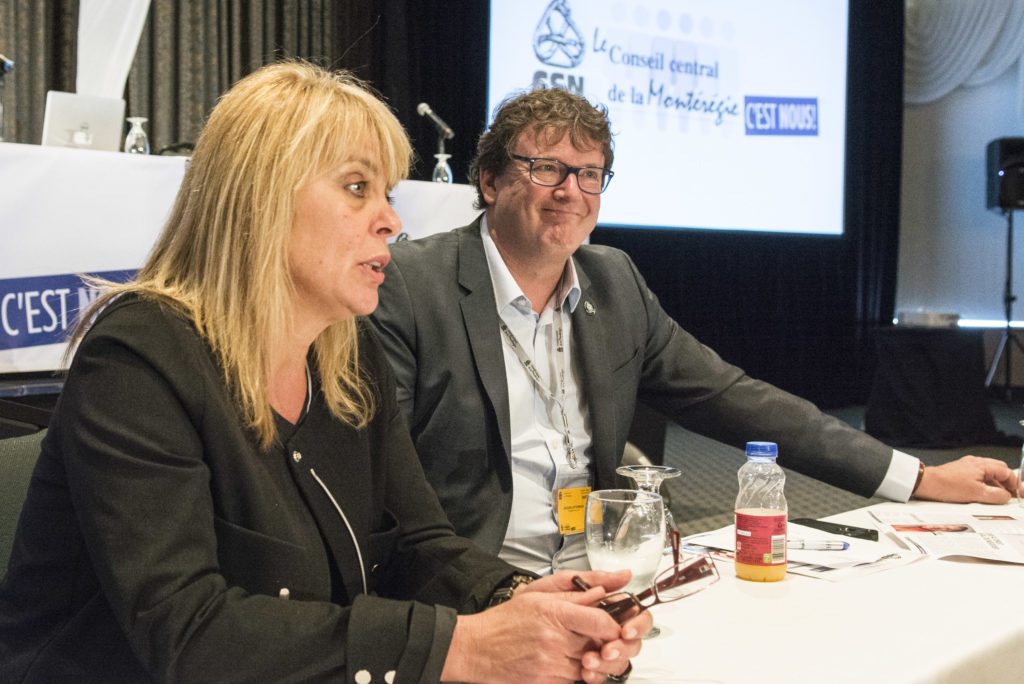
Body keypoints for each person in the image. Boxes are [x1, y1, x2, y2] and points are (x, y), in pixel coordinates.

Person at [0, 63, 649, 683]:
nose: (391, 220)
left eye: (388, 193)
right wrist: (463, 646)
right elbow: (188, 632)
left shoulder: (346, 357)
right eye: (357, 187)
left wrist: (522, 599)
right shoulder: (141, 355)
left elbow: (416, 543)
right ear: (263, 197)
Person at [369, 86, 1020, 574]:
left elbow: (735, 398)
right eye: (546, 168)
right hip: (477, 587)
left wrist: (921, 479)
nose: (569, 190)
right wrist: (500, 597)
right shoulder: (411, 284)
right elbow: (386, 487)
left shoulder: (612, 280)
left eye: (589, 173)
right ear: (489, 180)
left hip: (606, 572)